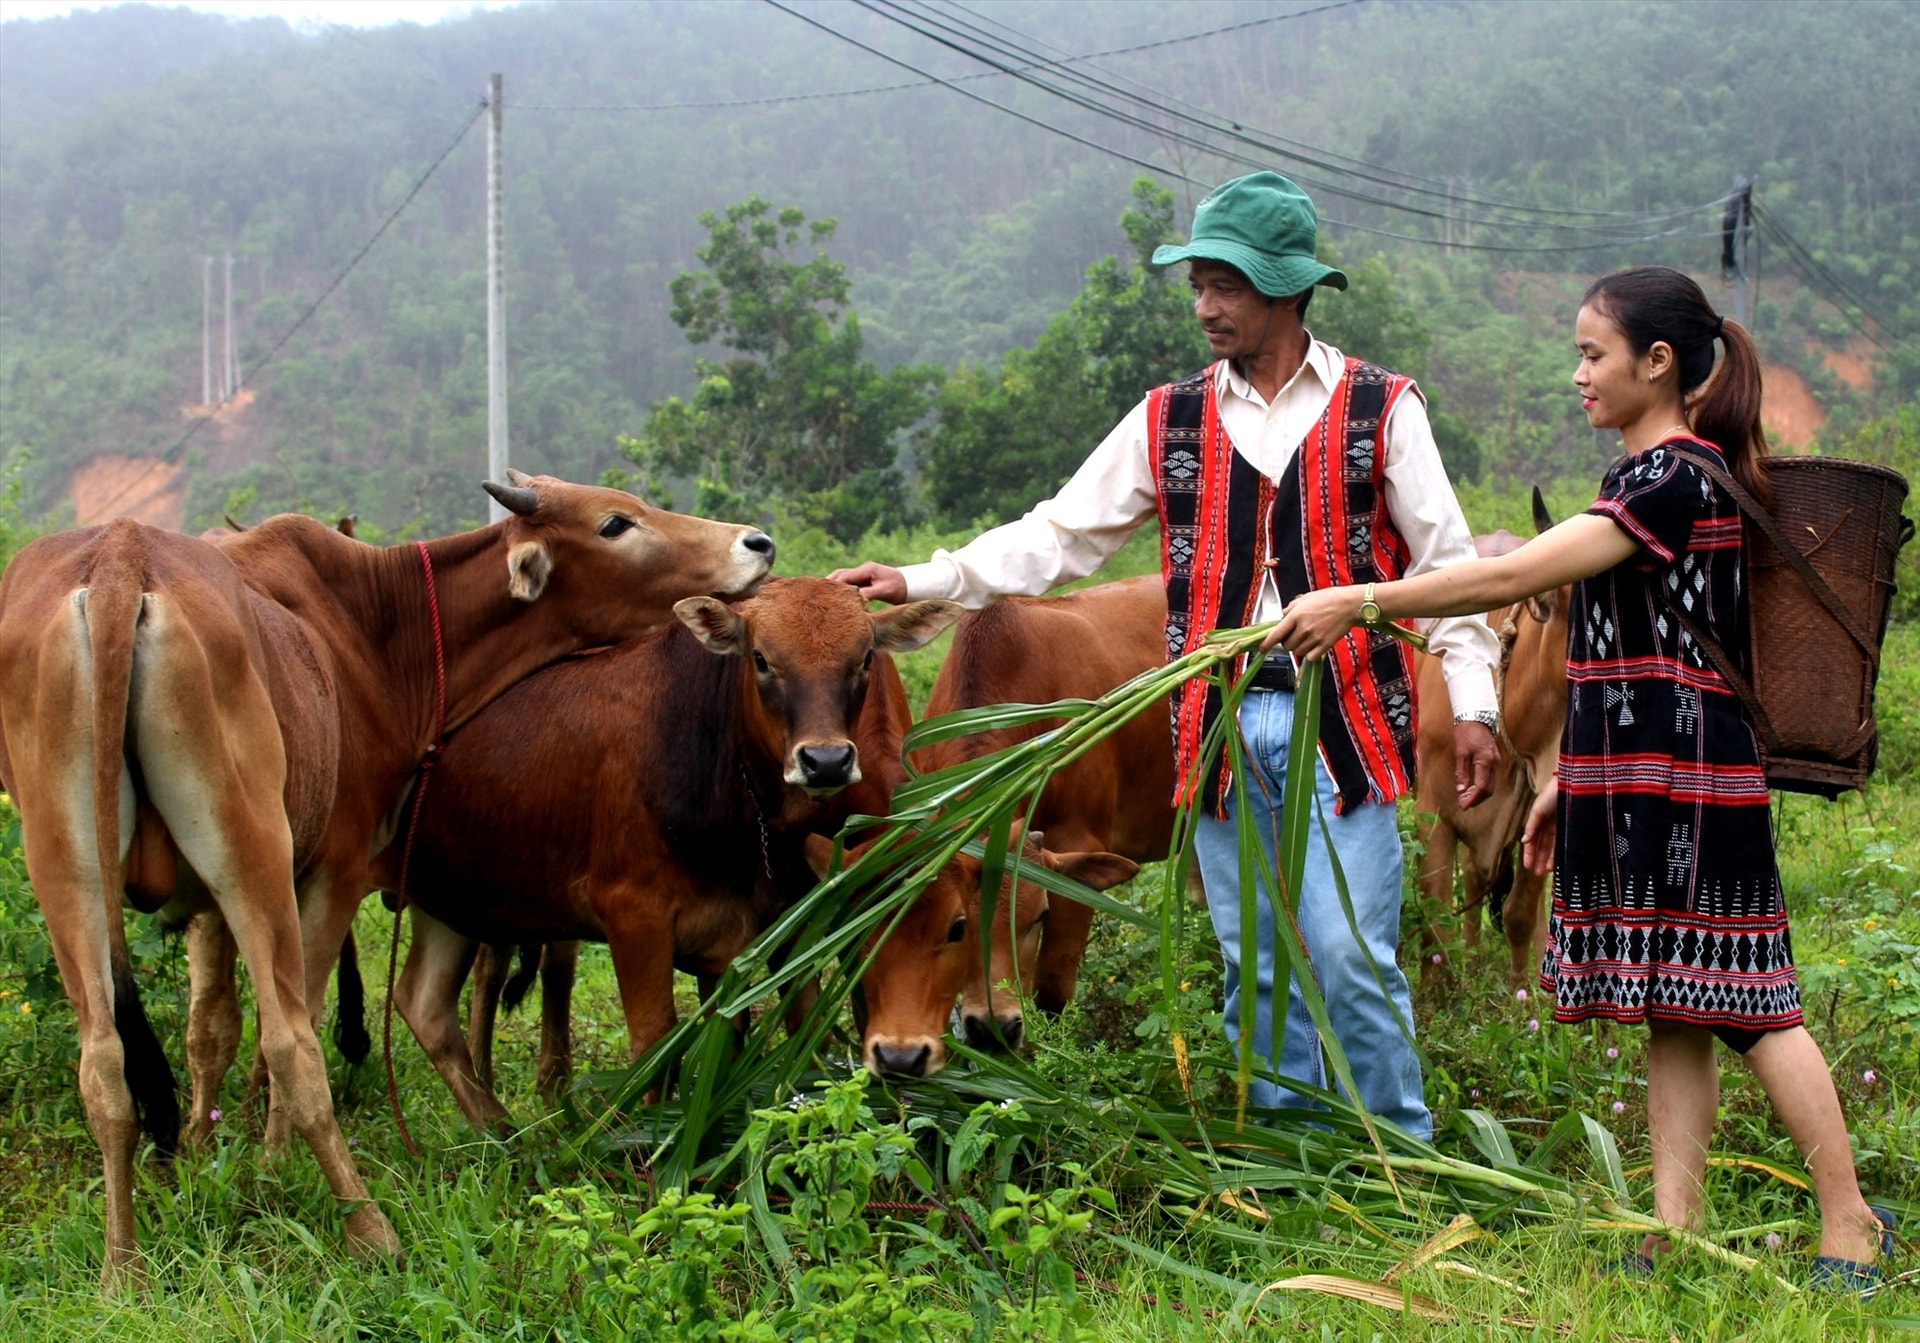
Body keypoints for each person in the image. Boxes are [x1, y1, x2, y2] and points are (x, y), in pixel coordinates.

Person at [832, 172, 1501, 1141]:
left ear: (1285, 288)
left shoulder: (1382, 409)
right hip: (1218, 722)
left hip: (1345, 716)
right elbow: (1061, 535)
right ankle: (1292, 1149)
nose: (1205, 305)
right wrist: (926, 578)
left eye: (1224, 283)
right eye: (1197, 283)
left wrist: (1473, 699)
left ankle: (1402, 1143)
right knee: (1256, 957)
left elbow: (1449, 569)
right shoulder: (1168, 419)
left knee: (1350, 948)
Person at [1270, 264, 1893, 1286]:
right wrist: (1575, 779)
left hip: (1691, 781)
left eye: (1592, 353)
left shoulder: (1673, 478)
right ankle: (1674, 1223)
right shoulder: (1655, 478)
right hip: (1647, 775)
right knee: (1675, 1002)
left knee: (1751, 1002)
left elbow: (1517, 574)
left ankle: (1850, 1218)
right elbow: (1625, 657)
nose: (1578, 374)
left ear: (1659, 363)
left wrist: (1365, 597)